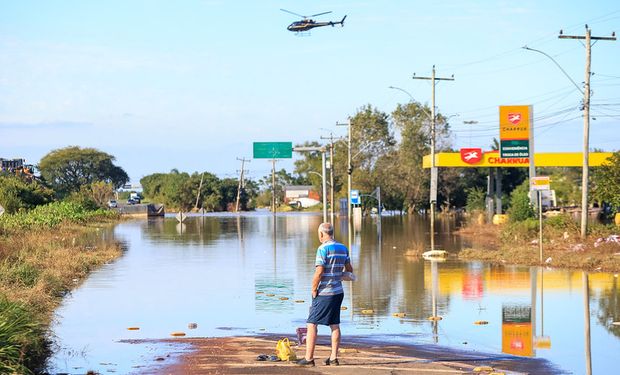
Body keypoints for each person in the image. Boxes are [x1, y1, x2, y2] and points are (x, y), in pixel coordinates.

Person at [297, 222, 353, 367]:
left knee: (312, 323)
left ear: (322, 234)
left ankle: (309, 358)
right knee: (334, 324)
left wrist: (314, 288)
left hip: (324, 292)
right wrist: (337, 274)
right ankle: (333, 358)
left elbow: (319, 271)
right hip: (338, 292)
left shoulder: (322, 249)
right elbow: (349, 269)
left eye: (319, 234)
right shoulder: (343, 248)